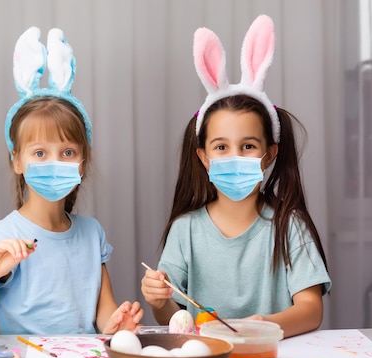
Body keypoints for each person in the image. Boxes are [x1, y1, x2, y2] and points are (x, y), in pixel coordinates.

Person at [0, 27, 143, 335]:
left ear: (82, 163)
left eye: (67, 152)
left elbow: (103, 316)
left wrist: (118, 324)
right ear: (17, 161)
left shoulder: (92, 233)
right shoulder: (2, 236)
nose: (54, 163)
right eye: (39, 152)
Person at [140, 15, 331, 338]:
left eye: (248, 146)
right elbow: (172, 320)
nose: (234, 157)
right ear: (203, 157)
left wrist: (264, 326)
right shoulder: (185, 230)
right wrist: (159, 301)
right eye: (221, 147)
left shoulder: (289, 226)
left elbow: (311, 310)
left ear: (269, 154)